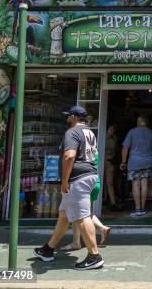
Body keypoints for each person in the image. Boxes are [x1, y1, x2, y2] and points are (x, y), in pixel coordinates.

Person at [33, 105, 104, 270]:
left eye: (68, 116)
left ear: (73, 117)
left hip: (77, 179)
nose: (67, 119)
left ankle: (94, 256)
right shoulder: (89, 132)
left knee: (82, 217)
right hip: (89, 175)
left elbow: (69, 155)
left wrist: (64, 180)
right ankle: (48, 249)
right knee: (64, 215)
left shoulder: (71, 132)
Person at [62, 146, 111, 251]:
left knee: (80, 213)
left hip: (83, 183)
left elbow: (70, 162)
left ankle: (79, 242)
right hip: (94, 181)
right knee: (85, 212)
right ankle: (79, 240)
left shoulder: (80, 154)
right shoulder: (94, 151)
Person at [120, 116, 152, 216]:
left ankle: (138, 209)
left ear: (139, 122)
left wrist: (123, 162)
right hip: (148, 161)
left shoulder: (132, 132)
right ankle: (143, 208)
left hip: (134, 162)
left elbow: (125, 148)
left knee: (135, 185)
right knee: (144, 184)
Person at [104, 125, 118, 209]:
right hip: (101, 161)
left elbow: (115, 150)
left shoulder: (114, 138)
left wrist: (111, 156)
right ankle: (104, 199)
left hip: (109, 162)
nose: (113, 131)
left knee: (110, 182)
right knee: (101, 182)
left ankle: (113, 202)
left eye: (114, 129)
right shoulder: (101, 136)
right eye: (111, 129)